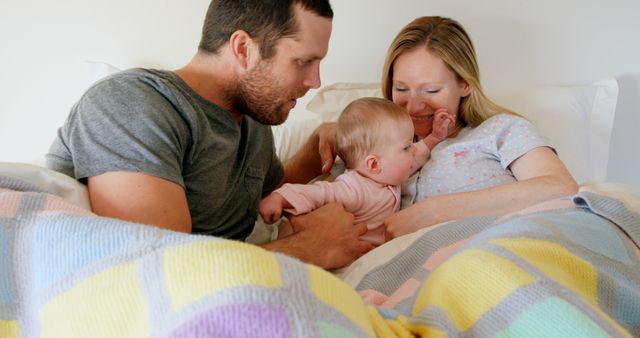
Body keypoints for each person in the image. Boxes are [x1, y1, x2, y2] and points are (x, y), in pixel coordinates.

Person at [45, 0, 374, 270]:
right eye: (303, 61)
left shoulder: (253, 123)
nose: (315, 81)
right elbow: (156, 268)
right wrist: (307, 248)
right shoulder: (132, 103)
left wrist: (317, 148)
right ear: (244, 48)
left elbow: (261, 191)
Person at [377, 16, 579, 238]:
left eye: (432, 91)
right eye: (402, 89)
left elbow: (561, 188)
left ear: (465, 84)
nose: (414, 106)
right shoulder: (374, 145)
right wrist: (334, 130)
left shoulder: (501, 130)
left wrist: (437, 211)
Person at [259, 97, 454, 245]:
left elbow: (417, 155)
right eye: (406, 147)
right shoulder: (354, 188)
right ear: (374, 165)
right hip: (344, 256)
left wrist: (435, 137)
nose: (413, 149)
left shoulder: (388, 173)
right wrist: (280, 198)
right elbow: (317, 192)